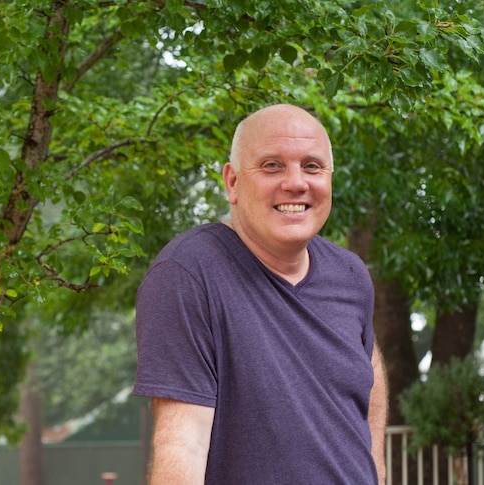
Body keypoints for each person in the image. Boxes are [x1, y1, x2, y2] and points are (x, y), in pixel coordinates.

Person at [133, 104, 388, 484]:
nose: (296, 183)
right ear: (232, 182)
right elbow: (182, 444)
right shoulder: (189, 274)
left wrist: (377, 473)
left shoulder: (350, 275)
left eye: (312, 166)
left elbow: (367, 379)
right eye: (272, 166)